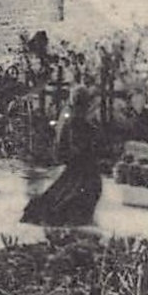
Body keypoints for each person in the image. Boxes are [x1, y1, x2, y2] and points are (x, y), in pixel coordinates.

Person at [21, 88, 103, 229]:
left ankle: (78, 218)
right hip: (81, 162)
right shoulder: (76, 118)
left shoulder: (72, 114)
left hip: (80, 161)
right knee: (77, 190)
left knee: (70, 189)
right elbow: (77, 143)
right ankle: (72, 219)